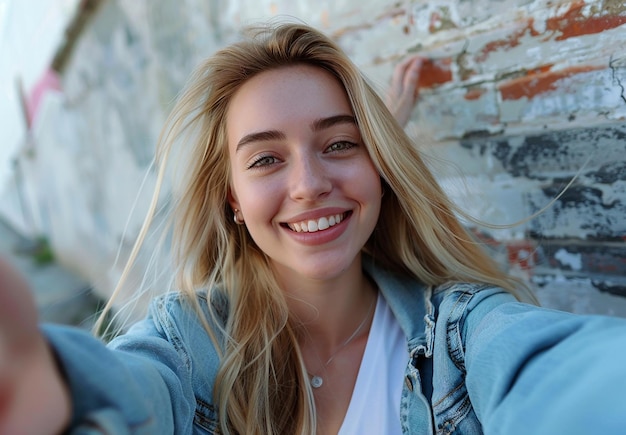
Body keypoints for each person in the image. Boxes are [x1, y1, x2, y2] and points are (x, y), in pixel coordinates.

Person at [1, 21, 625, 435]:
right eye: (267, 159)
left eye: (340, 144)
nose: (307, 184)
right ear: (233, 201)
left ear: (380, 166)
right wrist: (51, 382)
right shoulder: (190, 344)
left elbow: (564, 377)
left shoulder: (460, 337)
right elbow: (130, 392)